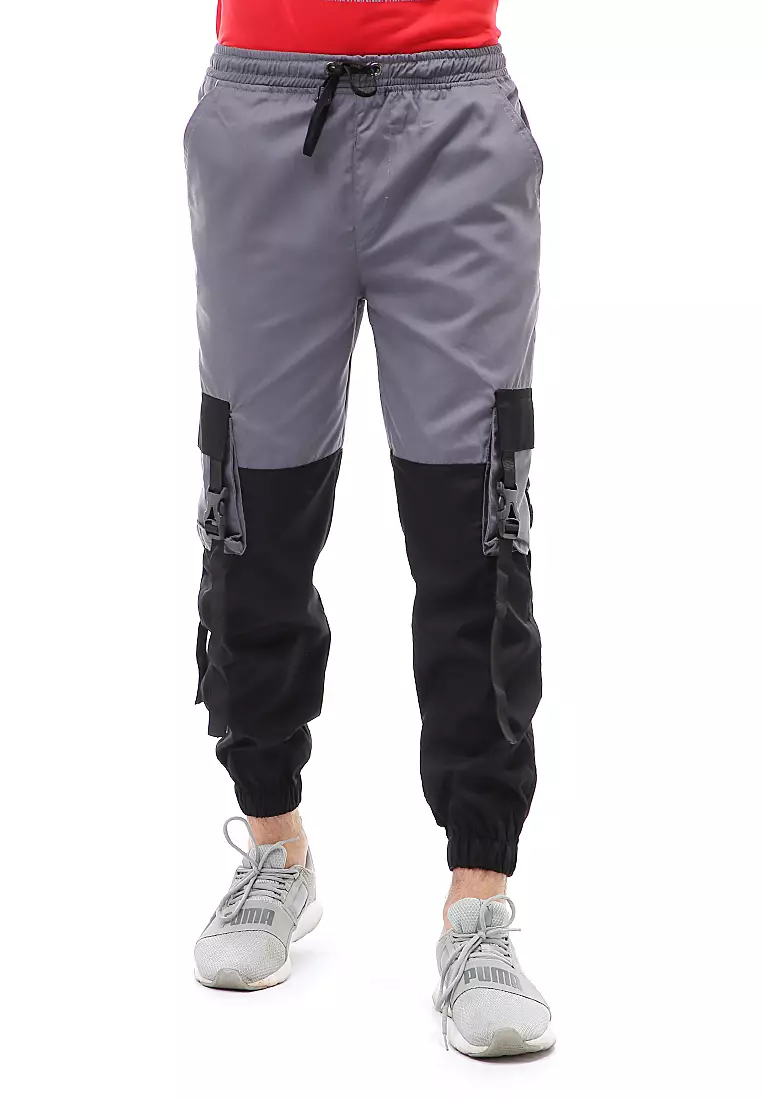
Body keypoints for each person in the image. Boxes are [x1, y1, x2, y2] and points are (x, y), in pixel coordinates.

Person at [186, 0, 554, 1058]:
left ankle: (479, 900)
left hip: (452, 114)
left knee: (476, 520)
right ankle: (274, 842)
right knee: (252, 506)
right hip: (263, 111)